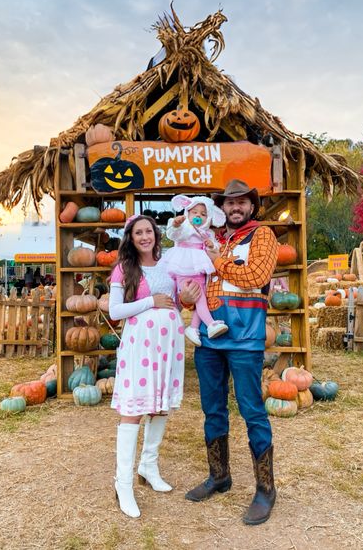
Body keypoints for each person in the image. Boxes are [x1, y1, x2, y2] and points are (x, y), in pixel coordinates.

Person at [184, 179, 278, 526]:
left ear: (252, 207)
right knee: (212, 409)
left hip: (245, 337)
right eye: (229, 203)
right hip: (210, 339)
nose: (235, 208)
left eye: (242, 202)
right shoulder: (210, 237)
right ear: (220, 207)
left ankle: (265, 489)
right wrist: (188, 296)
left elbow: (256, 273)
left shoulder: (262, 236)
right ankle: (219, 475)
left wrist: (217, 260)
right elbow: (197, 284)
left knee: (252, 410)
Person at [109, 214, 200, 518]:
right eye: (139, 233)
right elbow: (115, 310)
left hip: (168, 344)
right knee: (133, 411)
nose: (145, 236)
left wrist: (185, 300)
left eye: (149, 231)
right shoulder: (124, 269)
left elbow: (178, 302)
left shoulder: (169, 264)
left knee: (160, 407)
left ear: (156, 235)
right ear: (131, 238)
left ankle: (148, 466)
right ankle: (123, 483)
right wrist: (150, 302)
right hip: (140, 346)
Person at [162, 195, 228, 346]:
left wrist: (211, 245)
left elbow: (215, 247)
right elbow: (173, 234)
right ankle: (210, 324)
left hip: (198, 269)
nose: (198, 215)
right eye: (194, 212)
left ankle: (193, 327)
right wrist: (177, 224)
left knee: (201, 297)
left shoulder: (208, 233)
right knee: (192, 296)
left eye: (203, 214)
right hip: (183, 266)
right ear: (187, 213)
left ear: (209, 218)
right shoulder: (184, 227)